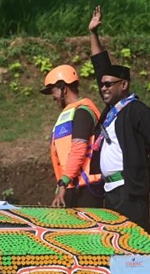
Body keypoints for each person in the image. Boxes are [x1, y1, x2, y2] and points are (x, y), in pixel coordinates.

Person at [88, 5, 150, 232]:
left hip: (130, 187)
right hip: (110, 190)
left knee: (133, 239)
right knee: (114, 240)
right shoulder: (111, 110)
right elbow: (101, 66)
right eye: (101, 85)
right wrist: (93, 33)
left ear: (124, 84)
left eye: (108, 84)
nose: (103, 88)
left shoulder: (137, 109)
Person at [40, 64, 103, 208]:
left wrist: (63, 183)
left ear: (64, 88)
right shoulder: (70, 113)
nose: (52, 96)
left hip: (88, 189)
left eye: (53, 90)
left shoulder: (83, 112)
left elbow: (78, 149)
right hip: (73, 186)